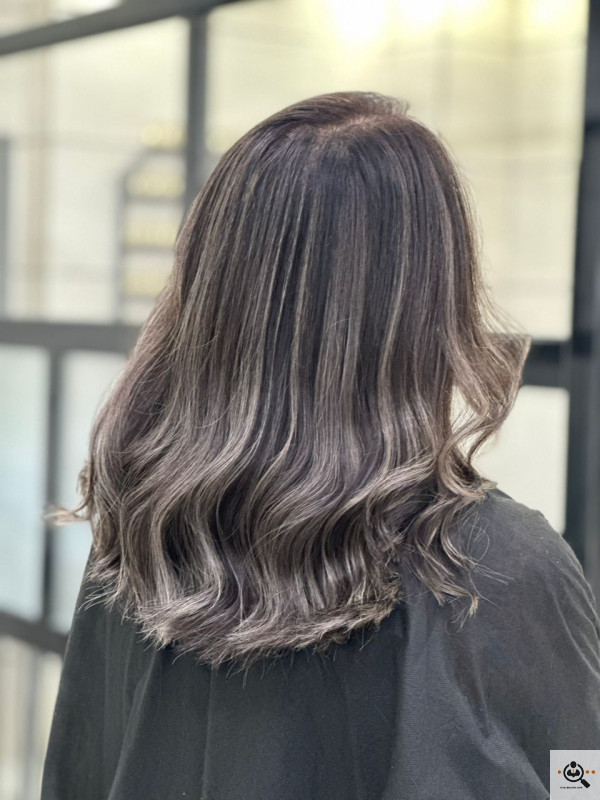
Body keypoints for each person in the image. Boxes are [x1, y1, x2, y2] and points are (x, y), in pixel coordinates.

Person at [40, 91, 600, 800]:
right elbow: (580, 777)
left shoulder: (143, 535)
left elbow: (76, 772)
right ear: (430, 303)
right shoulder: (499, 566)